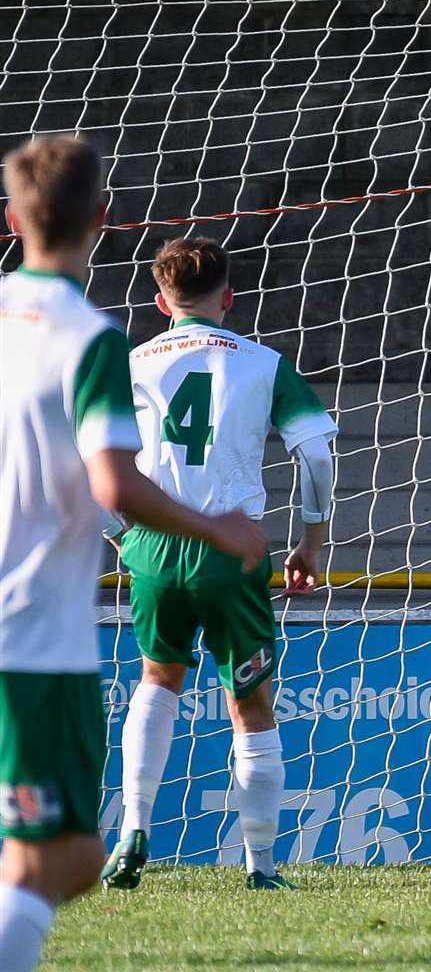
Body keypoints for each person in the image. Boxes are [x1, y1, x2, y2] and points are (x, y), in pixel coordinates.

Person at [0, 136, 265, 971]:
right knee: (65, 859)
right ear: (103, 219)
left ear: (12, 219)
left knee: (48, 857)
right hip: (36, 631)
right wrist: (217, 528)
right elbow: (116, 485)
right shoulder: (91, 338)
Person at [99, 236, 338, 893]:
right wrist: (311, 544)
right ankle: (260, 867)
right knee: (252, 708)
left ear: (159, 301)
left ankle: (132, 831)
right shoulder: (263, 362)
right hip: (233, 549)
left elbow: (85, 462)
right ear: (228, 298)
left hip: (152, 544)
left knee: (156, 680)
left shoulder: (132, 362)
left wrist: (120, 536)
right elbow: (315, 454)